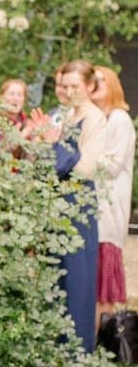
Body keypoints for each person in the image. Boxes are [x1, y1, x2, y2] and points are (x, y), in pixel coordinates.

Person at [32, 61, 106, 350]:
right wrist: (41, 141)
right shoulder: (60, 114)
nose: (69, 91)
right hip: (53, 201)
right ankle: (51, 347)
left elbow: (86, 168)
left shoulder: (94, 118)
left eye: (76, 86)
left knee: (77, 276)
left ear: (89, 86)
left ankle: (76, 351)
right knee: (52, 272)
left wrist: (56, 145)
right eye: (65, 86)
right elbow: (41, 162)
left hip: (77, 203)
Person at [91, 66, 134, 319]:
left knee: (103, 286)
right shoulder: (93, 118)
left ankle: (102, 336)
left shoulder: (119, 119)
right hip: (90, 210)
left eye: (100, 81)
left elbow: (112, 166)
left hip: (107, 211)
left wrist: (81, 156)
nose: (94, 85)